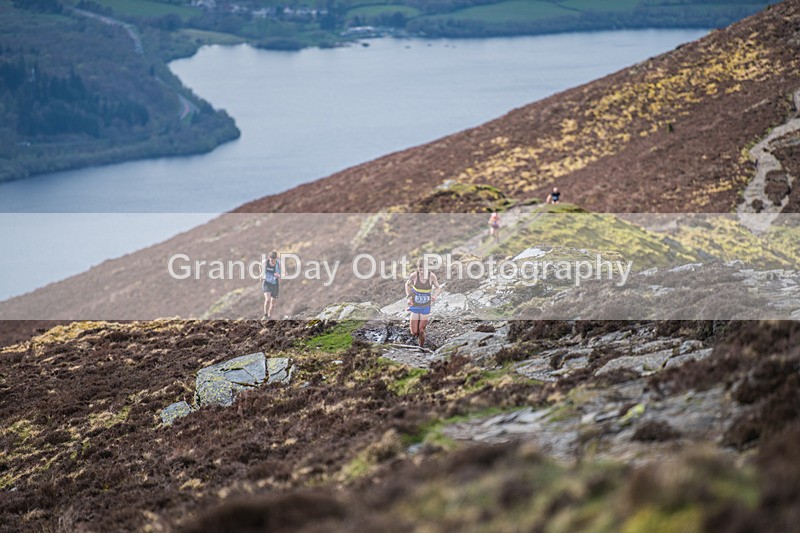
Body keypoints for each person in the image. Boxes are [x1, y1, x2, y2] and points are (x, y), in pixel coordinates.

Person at [405, 258, 441, 348]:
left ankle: (420, 347)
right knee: (414, 332)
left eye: (423, 270)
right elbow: (407, 284)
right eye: (420, 270)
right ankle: (417, 339)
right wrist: (409, 297)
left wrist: (434, 296)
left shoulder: (432, 276)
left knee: (421, 329)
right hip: (416, 305)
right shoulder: (414, 275)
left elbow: (438, 287)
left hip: (425, 305)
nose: (421, 272)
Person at [261, 251, 281, 319]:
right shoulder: (265, 262)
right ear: (269, 258)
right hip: (267, 283)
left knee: (272, 305)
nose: (272, 261)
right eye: (271, 260)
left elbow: (284, 273)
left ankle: (269, 317)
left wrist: (278, 275)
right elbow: (260, 267)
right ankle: (265, 315)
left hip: (275, 284)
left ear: (276, 258)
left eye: (274, 260)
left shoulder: (278, 264)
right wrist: (261, 275)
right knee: (267, 300)